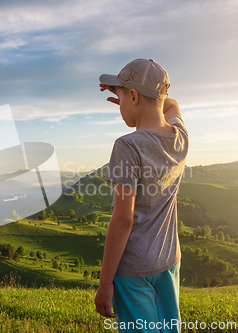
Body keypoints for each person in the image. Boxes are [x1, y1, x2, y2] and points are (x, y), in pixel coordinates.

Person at [94, 59, 189, 333]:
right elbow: (171, 106)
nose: (119, 103)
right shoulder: (180, 137)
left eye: (122, 96)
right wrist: (143, 98)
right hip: (169, 260)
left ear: (133, 96)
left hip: (134, 269)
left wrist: (104, 283)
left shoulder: (127, 146)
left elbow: (122, 220)